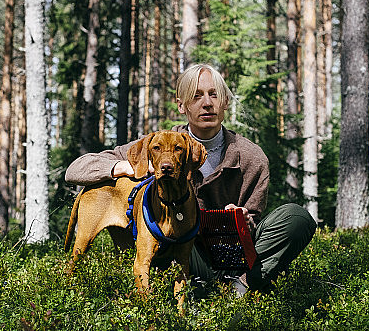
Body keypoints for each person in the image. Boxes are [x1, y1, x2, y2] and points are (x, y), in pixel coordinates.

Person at [65, 63, 316, 296]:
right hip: (186, 252)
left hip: (234, 253)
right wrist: (130, 167)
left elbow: (255, 221)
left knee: (296, 217)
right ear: (182, 105)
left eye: (214, 94)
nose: (207, 103)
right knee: (175, 237)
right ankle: (218, 292)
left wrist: (243, 219)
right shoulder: (159, 146)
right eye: (196, 96)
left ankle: (240, 287)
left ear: (225, 101)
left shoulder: (251, 157)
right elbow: (76, 170)